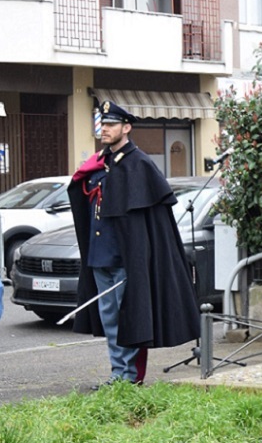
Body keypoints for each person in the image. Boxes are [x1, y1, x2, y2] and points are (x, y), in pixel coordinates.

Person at [68, 101, 199, 386]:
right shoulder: (99, 164)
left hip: (125, 258)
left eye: (111, 125)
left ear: (126, 128)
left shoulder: (139, 164)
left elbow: (149, 220)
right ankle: (118, 374)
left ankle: (128, 378)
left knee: (130, 319)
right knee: (110, 321)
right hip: (100, 257)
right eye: (102, 125)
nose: (105, 130)